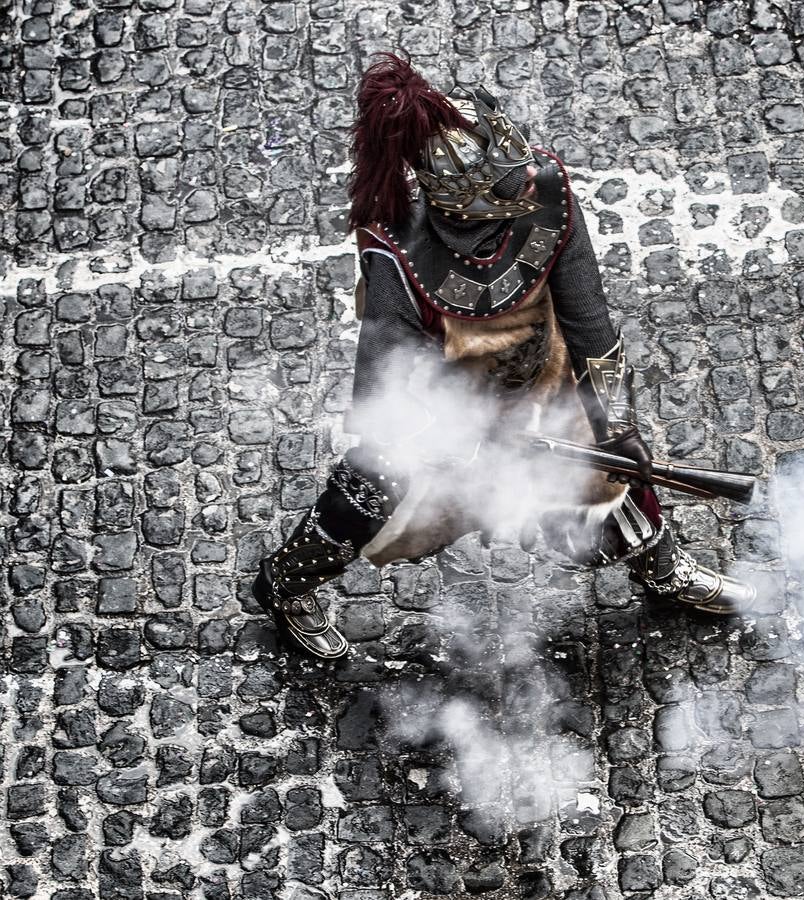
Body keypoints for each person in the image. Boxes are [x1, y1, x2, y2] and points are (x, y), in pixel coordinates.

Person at [250, 54, 755, 660]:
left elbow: (589, 319)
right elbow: (385, 388)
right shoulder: (397, 253)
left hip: (533, 367)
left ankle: (661, 568)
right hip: (444, 402)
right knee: (375, 484)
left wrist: (618, 427)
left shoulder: (547, 195)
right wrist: (463, 439)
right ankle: (285, 583)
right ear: (468, 203)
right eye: (507, 185)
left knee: (601, 468)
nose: (525, 183)